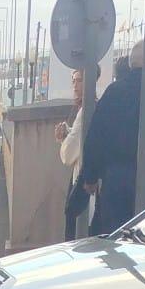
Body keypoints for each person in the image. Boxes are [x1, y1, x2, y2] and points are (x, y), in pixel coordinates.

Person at [81, 40, 145, 236]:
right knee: (144, 236)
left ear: (131, 64)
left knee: (113, 236)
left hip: (115, 178)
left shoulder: (114, 91)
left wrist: (90, 177)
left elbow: (96, 136)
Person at [57, 65, 100, 237]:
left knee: (74, 233)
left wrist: (63, 139)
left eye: (79, 80)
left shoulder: (85, 112)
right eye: (73, 81)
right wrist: (69, 132)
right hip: (92, 180)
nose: (75, 86)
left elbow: (68, 155)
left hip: (82, 179)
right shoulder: (97, 106)